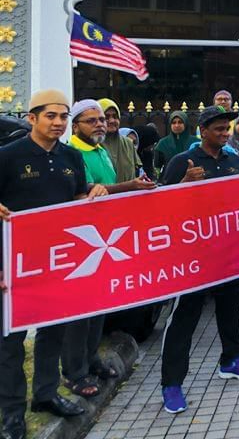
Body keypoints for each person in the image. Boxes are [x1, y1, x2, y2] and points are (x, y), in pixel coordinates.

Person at [0, 90, 107, 439]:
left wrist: (92, 192)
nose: (58, 122)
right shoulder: (8, 157)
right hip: (13, 264)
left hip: (58, 262)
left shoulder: (72, 156)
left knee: (53, 332)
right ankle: (12, 414)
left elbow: (75, 197)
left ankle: (45, 395)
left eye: (63, 116)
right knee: (10, 341)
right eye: (50, 116)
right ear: (32, 118)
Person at [158, 107, 239, 413]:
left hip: (226, 253)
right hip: (192, 256)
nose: (224, 133)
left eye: (226, 129)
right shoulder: (182, 162)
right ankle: (171, 383)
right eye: (218, 129)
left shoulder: (232, 161)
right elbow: (160, 205)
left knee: (230, 308)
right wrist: (184, 184)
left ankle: (231, 359)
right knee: (185, 317)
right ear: (203, 130)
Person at [63, 100, 154, 399]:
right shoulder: (72, 153)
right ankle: (74, 371)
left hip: (105, 238)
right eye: (92, 121)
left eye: (102, 119)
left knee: (99, 302)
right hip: (81, 240)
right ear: (75, 125)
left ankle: (92, 360)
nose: (100, 124)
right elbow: (88, 191)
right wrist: (130, 186)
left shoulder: (100, 150)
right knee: (80, 308)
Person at [98, 98, 141, 181]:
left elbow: (136, 173)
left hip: (128, 193)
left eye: (115, 116)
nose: (112, 121)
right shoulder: (92, 145)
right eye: (106, 117)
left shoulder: (128, 144)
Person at [155, 111, 192, 175]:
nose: (176, 125)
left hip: (192, 181)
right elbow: (157, 167)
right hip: (169, 181)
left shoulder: (195, 142)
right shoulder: (163, 144)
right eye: (173, 123)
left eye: (180, 122)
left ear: (185, 124)